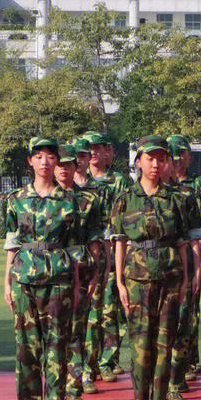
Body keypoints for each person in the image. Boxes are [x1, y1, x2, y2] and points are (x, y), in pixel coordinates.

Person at [110, 135, 197, 400]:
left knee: (164, 343)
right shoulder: (124, 198)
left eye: (161, 159)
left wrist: (186, 278)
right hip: (136, 279)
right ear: (138, 161)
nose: (156, 164)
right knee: (140, 344)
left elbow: (183, 244)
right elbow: (119, 243)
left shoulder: (177, 199)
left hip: (170, 277)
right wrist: (119, 281)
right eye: (150, 158)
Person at [2, 137, 81, 400]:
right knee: (26, 349)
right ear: (30, 162)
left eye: (50, 156)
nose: (45, 161)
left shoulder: (68, 200)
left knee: (56, 347)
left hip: (58, 278)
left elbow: (75, 246)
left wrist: (75, 284)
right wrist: (6, 282)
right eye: (39, 156)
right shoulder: (15, 199)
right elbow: (11, 243)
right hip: (24, 280)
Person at [54, 144, 104, 400]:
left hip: (81, 272)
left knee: (76, 331)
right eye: (59, 164)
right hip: (51, 273)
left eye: (68, 164)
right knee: (53, 335)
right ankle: (54, 389)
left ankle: (73, 388)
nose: (63, 168)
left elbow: (95, 238)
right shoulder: (45, 198)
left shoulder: (87, 200)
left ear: (77, 166)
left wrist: (95, 271)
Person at [164, 135, 201, 400]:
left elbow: (197, 236)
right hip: (156, 269)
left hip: (184, 267)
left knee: (184, 323)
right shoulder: (141, 192)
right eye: (171, 156)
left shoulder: (188, 193)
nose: (175, 161)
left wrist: (197, 269)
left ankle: (176, 379)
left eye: (179, 155)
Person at [86, 131, 133, 383]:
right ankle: (90, 362)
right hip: (89, 252)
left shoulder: (119, 182)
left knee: (111, 309)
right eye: (88, 148)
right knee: (91, 310)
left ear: (107, 151)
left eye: (97, 147)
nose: (93, 152)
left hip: (113, 250)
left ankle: (108, 359)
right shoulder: (79, 180)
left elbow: (124, 218)